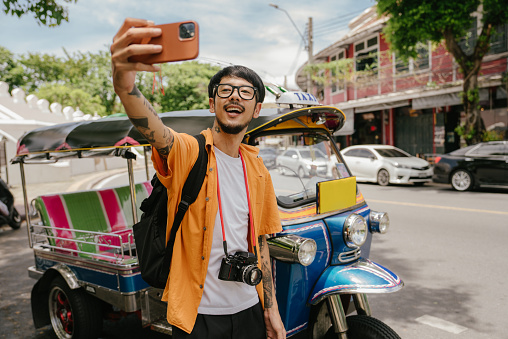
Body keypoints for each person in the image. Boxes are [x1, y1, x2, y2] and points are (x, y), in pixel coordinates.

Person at [111, 18, 286, 339]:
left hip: (249, 309)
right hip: (198, 316)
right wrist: (124, 84)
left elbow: (261, 242)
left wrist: (270, 309)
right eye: (226, 90)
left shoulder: (258, 168)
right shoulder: (189, 151)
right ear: (212, 102)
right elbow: (156, 130)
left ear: (256, 108)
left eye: (245, 92)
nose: (235, 96)